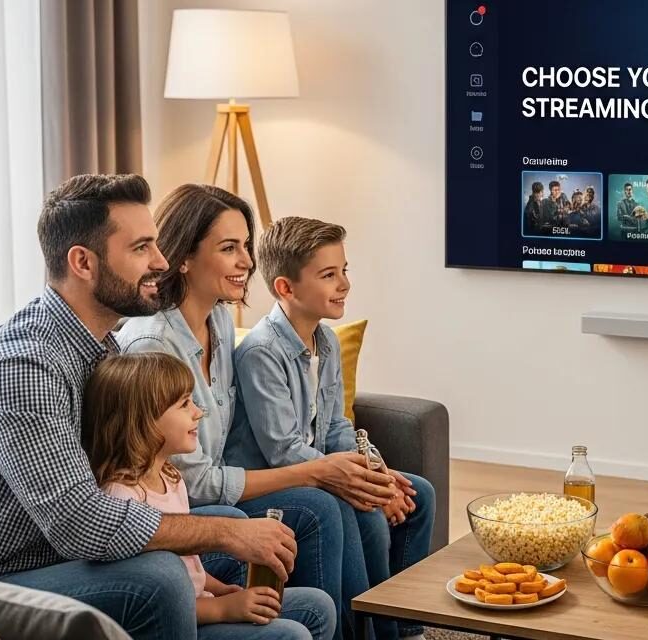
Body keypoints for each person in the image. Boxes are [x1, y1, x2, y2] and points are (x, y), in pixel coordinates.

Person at [0, 174, 300, 640]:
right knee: (163, 574)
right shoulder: (27, 365)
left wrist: (231, 531)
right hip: (18, 576)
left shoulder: (104, 349)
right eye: (141, 248)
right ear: (83, 263)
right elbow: (79, 521)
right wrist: (224, 536)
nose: (160, 261)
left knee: (263, 564)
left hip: (79, 558)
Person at [117, 184, 398, 640]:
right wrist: (315, 472)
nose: (247, 262)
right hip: (181, 511)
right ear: (183, 257)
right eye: (230, 248)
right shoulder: (154, 345)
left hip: (225, 489)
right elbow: (194, 482)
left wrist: (356, 470)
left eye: (245, 245)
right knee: (321, 506)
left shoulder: (221, 321)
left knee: (346, 498)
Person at [227, 217, 436, 640]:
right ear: (286, 288)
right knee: (368, 514)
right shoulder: (261, 353)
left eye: (344, 271)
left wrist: (375, 473)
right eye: (328, 275)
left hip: (322, 470)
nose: (344, 284)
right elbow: (284, 451)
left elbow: (338, 427)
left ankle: (405, 628)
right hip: (278, 482)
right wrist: (363, 487)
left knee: (420, 494)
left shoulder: (326, 341)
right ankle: (370, 633)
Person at [83, 353, 335, 639]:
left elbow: (190, 568)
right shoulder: (121, 497)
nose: (198, 412)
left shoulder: (171, 478)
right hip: (180, 619)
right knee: (291, 635)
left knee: (318, 606)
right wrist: (224, 609)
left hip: (203, 602)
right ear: (144, 420)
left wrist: (219, 589)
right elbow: (148, 599)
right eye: (184, 404)